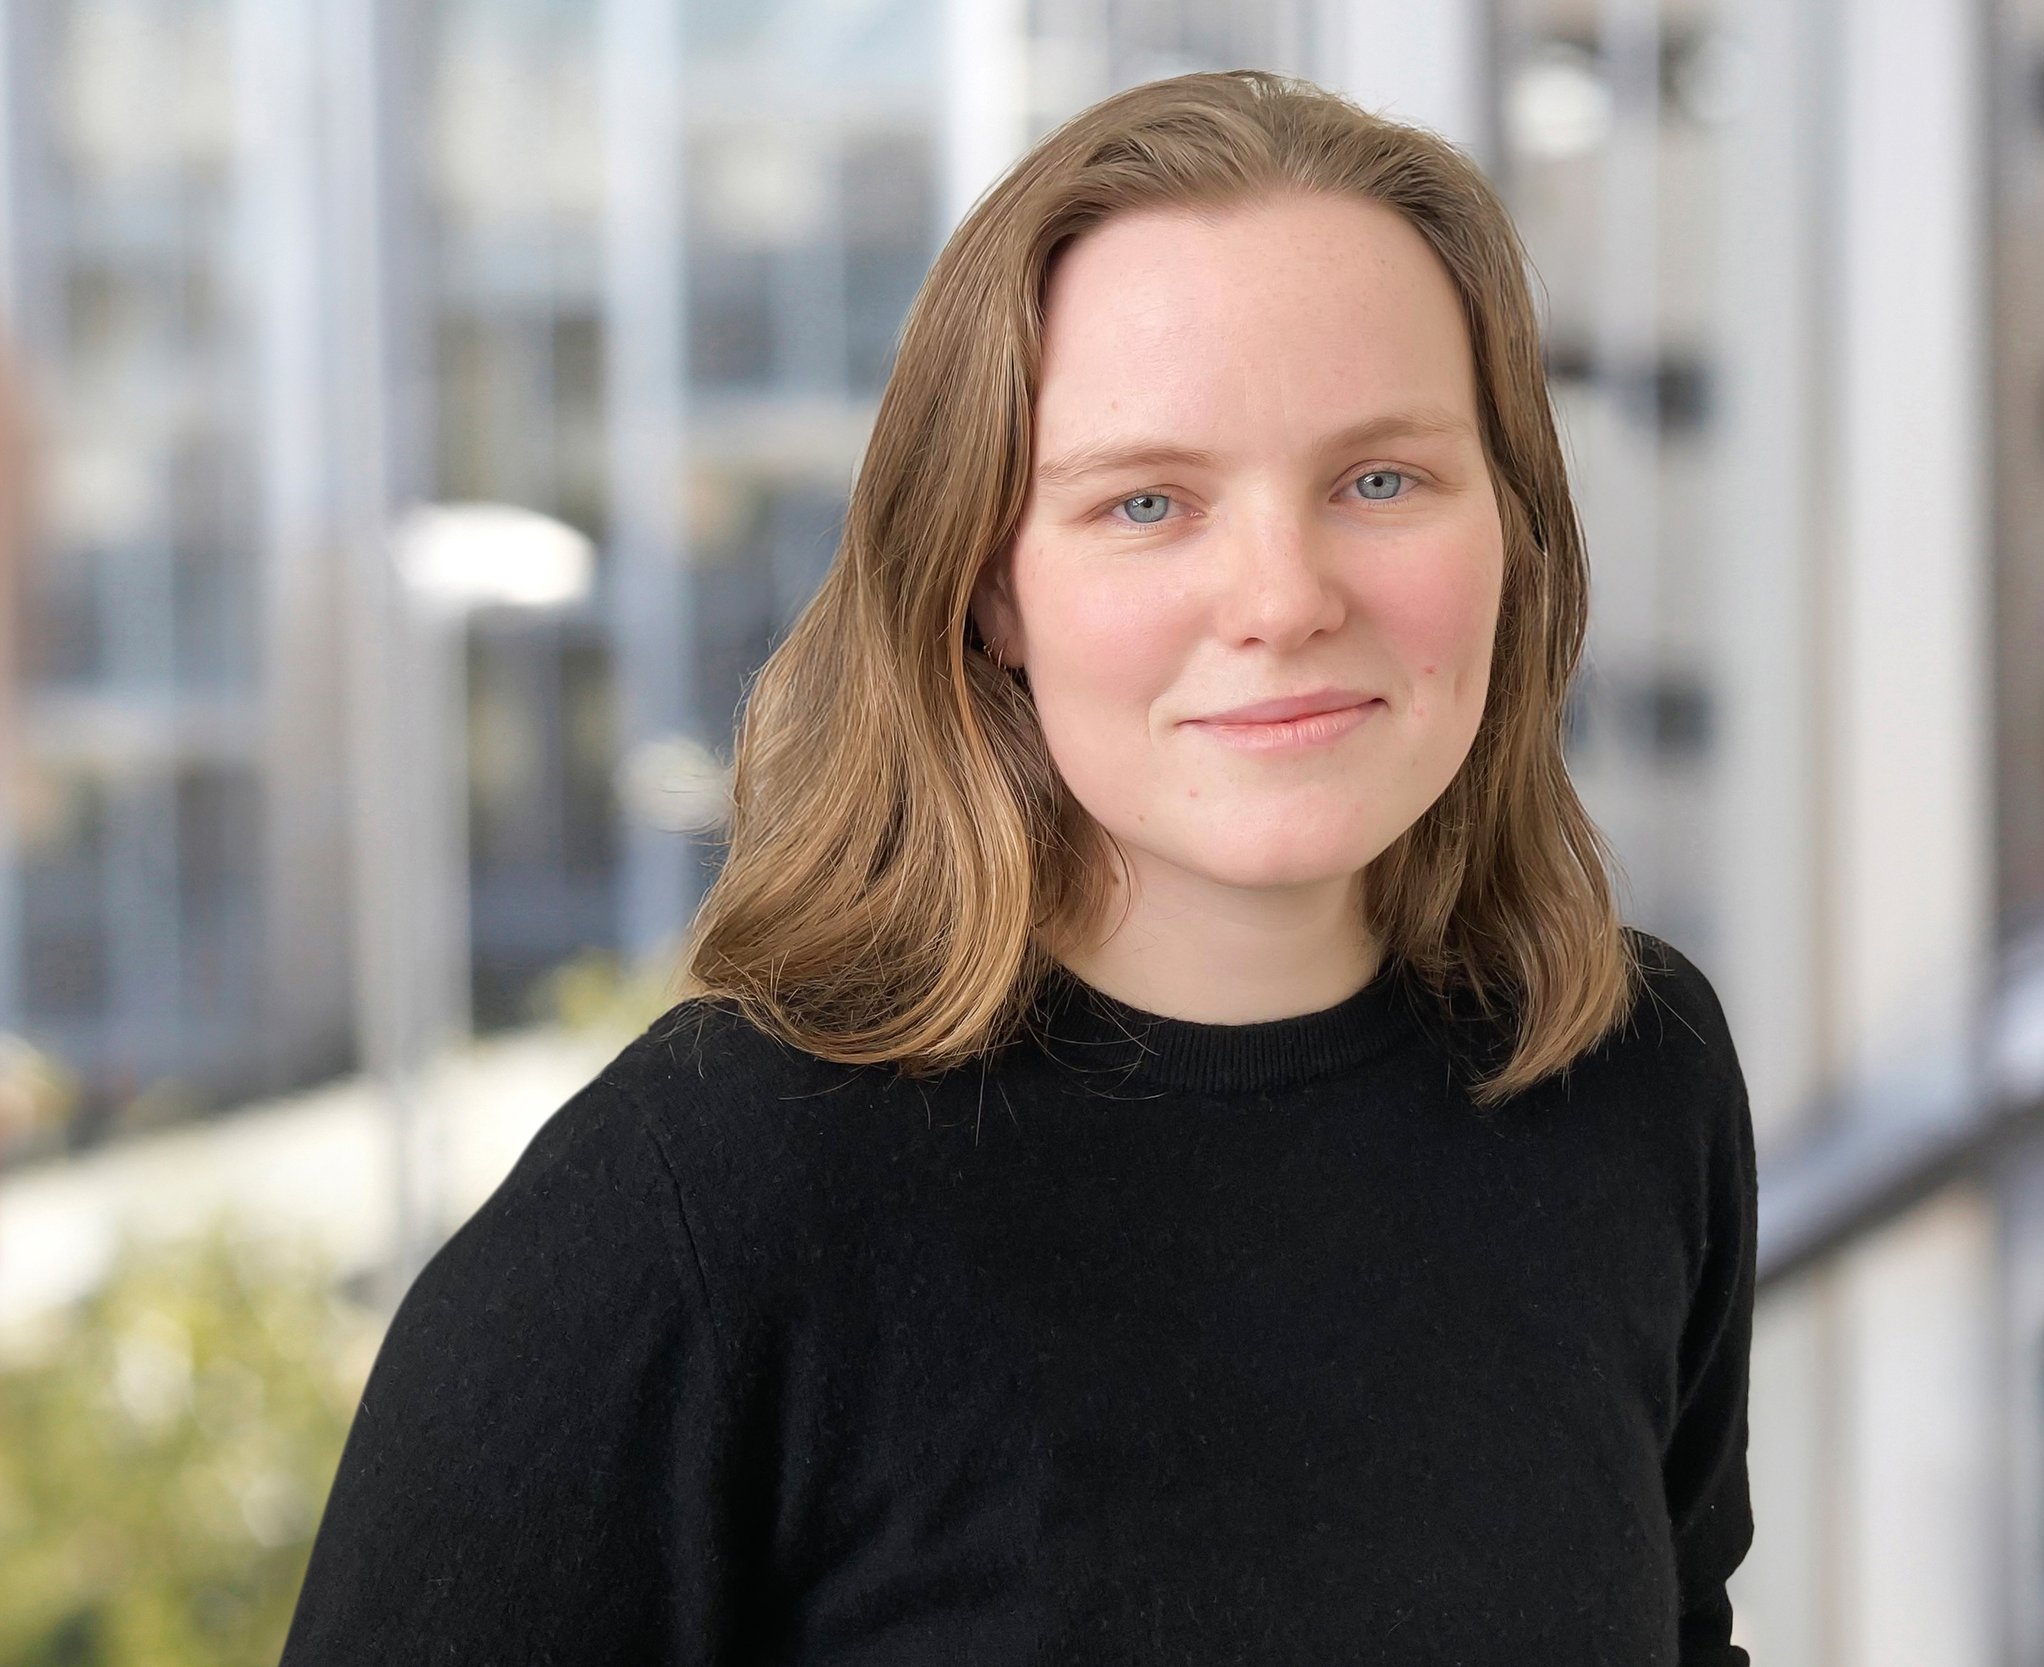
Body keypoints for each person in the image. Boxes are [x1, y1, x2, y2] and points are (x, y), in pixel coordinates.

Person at [278, 68, 1757, 1666]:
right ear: (989, 594)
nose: (1283, 597)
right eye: (1145, 503)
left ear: (1514, 527)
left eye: (1380, 480)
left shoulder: (1629, 1079)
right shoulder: (692, 1220)